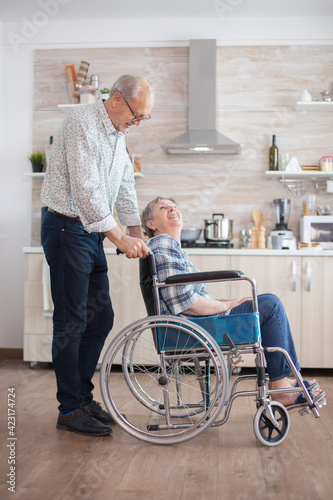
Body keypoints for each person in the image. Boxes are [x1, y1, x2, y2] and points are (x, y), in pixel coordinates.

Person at [41, 75, 153, 436]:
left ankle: (82, 398)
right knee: (72, 321)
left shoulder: (117, 135)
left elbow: (123, 185)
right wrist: (120, 239)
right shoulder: (81, 124)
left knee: (100, 317)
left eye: (143, 119)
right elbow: (88, 192)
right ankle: (70, 408)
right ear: (117, 100)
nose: (137, 124)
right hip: (65, 227)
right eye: (137, 115)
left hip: (89, 231)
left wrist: (136, 233)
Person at [141, 197, 325, 412]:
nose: (172, 208)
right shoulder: (163, 244)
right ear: (151, 224)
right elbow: (186, 305)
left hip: (194, 325)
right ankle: (281, 386)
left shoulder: (171, 247)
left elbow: (185, 300)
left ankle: (281, 383)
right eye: (163, 207)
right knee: (270, 305)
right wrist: (227, 305)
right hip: (195, 328)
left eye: (174, 206)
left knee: (265, 304)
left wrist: (225, 303)